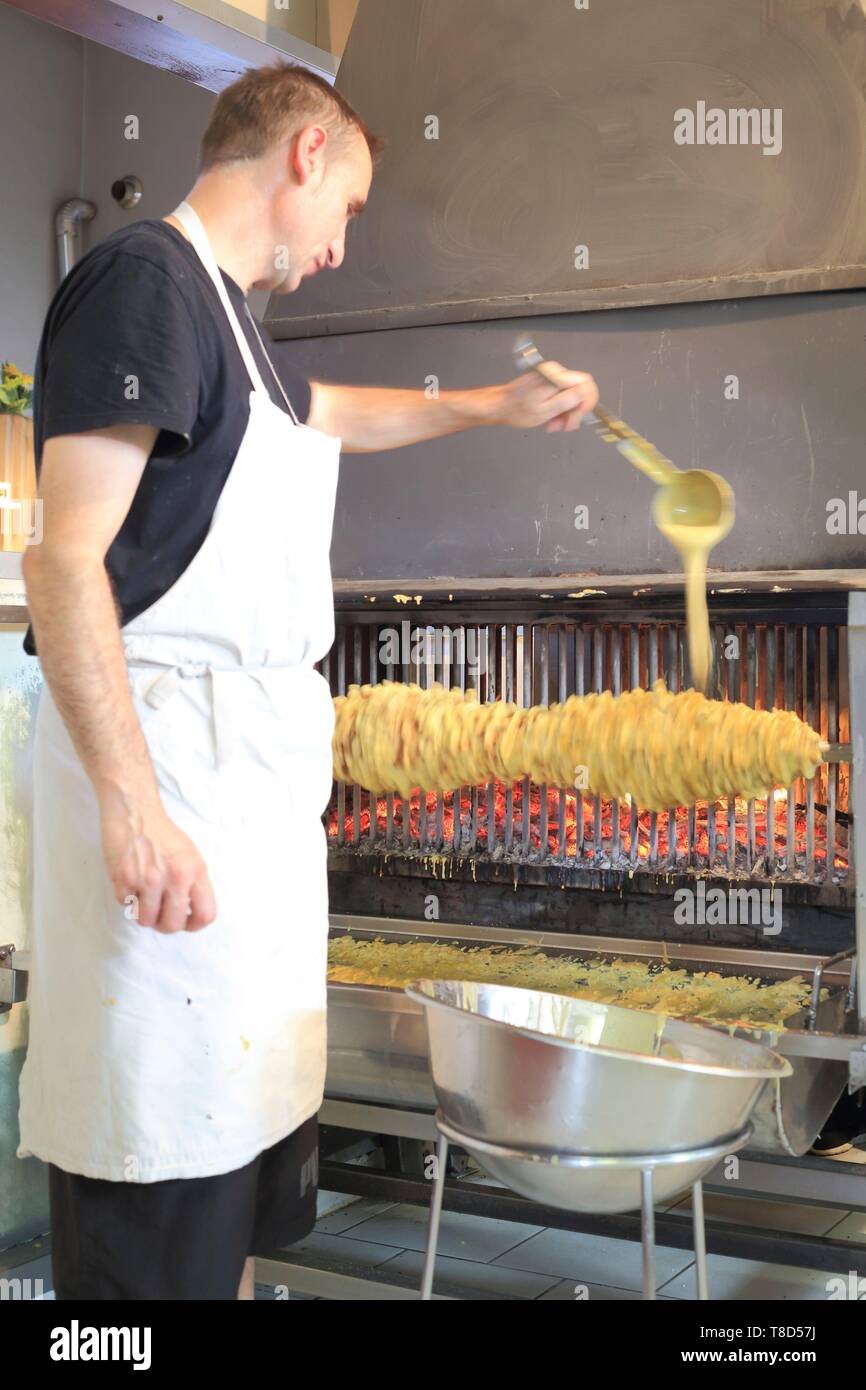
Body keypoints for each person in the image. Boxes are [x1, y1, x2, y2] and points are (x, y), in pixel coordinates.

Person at [18, 60, 599, 1300]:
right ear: (306, 154)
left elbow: (338, 416)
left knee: (221, 1184)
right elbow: (64, 562)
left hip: (241, 818)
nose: (343, 245)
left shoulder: (232, 323)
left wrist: (495, 405)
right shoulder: (145, 285)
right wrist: (131, 805)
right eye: (352, 208)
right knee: (153, 1178)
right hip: (168, 789)